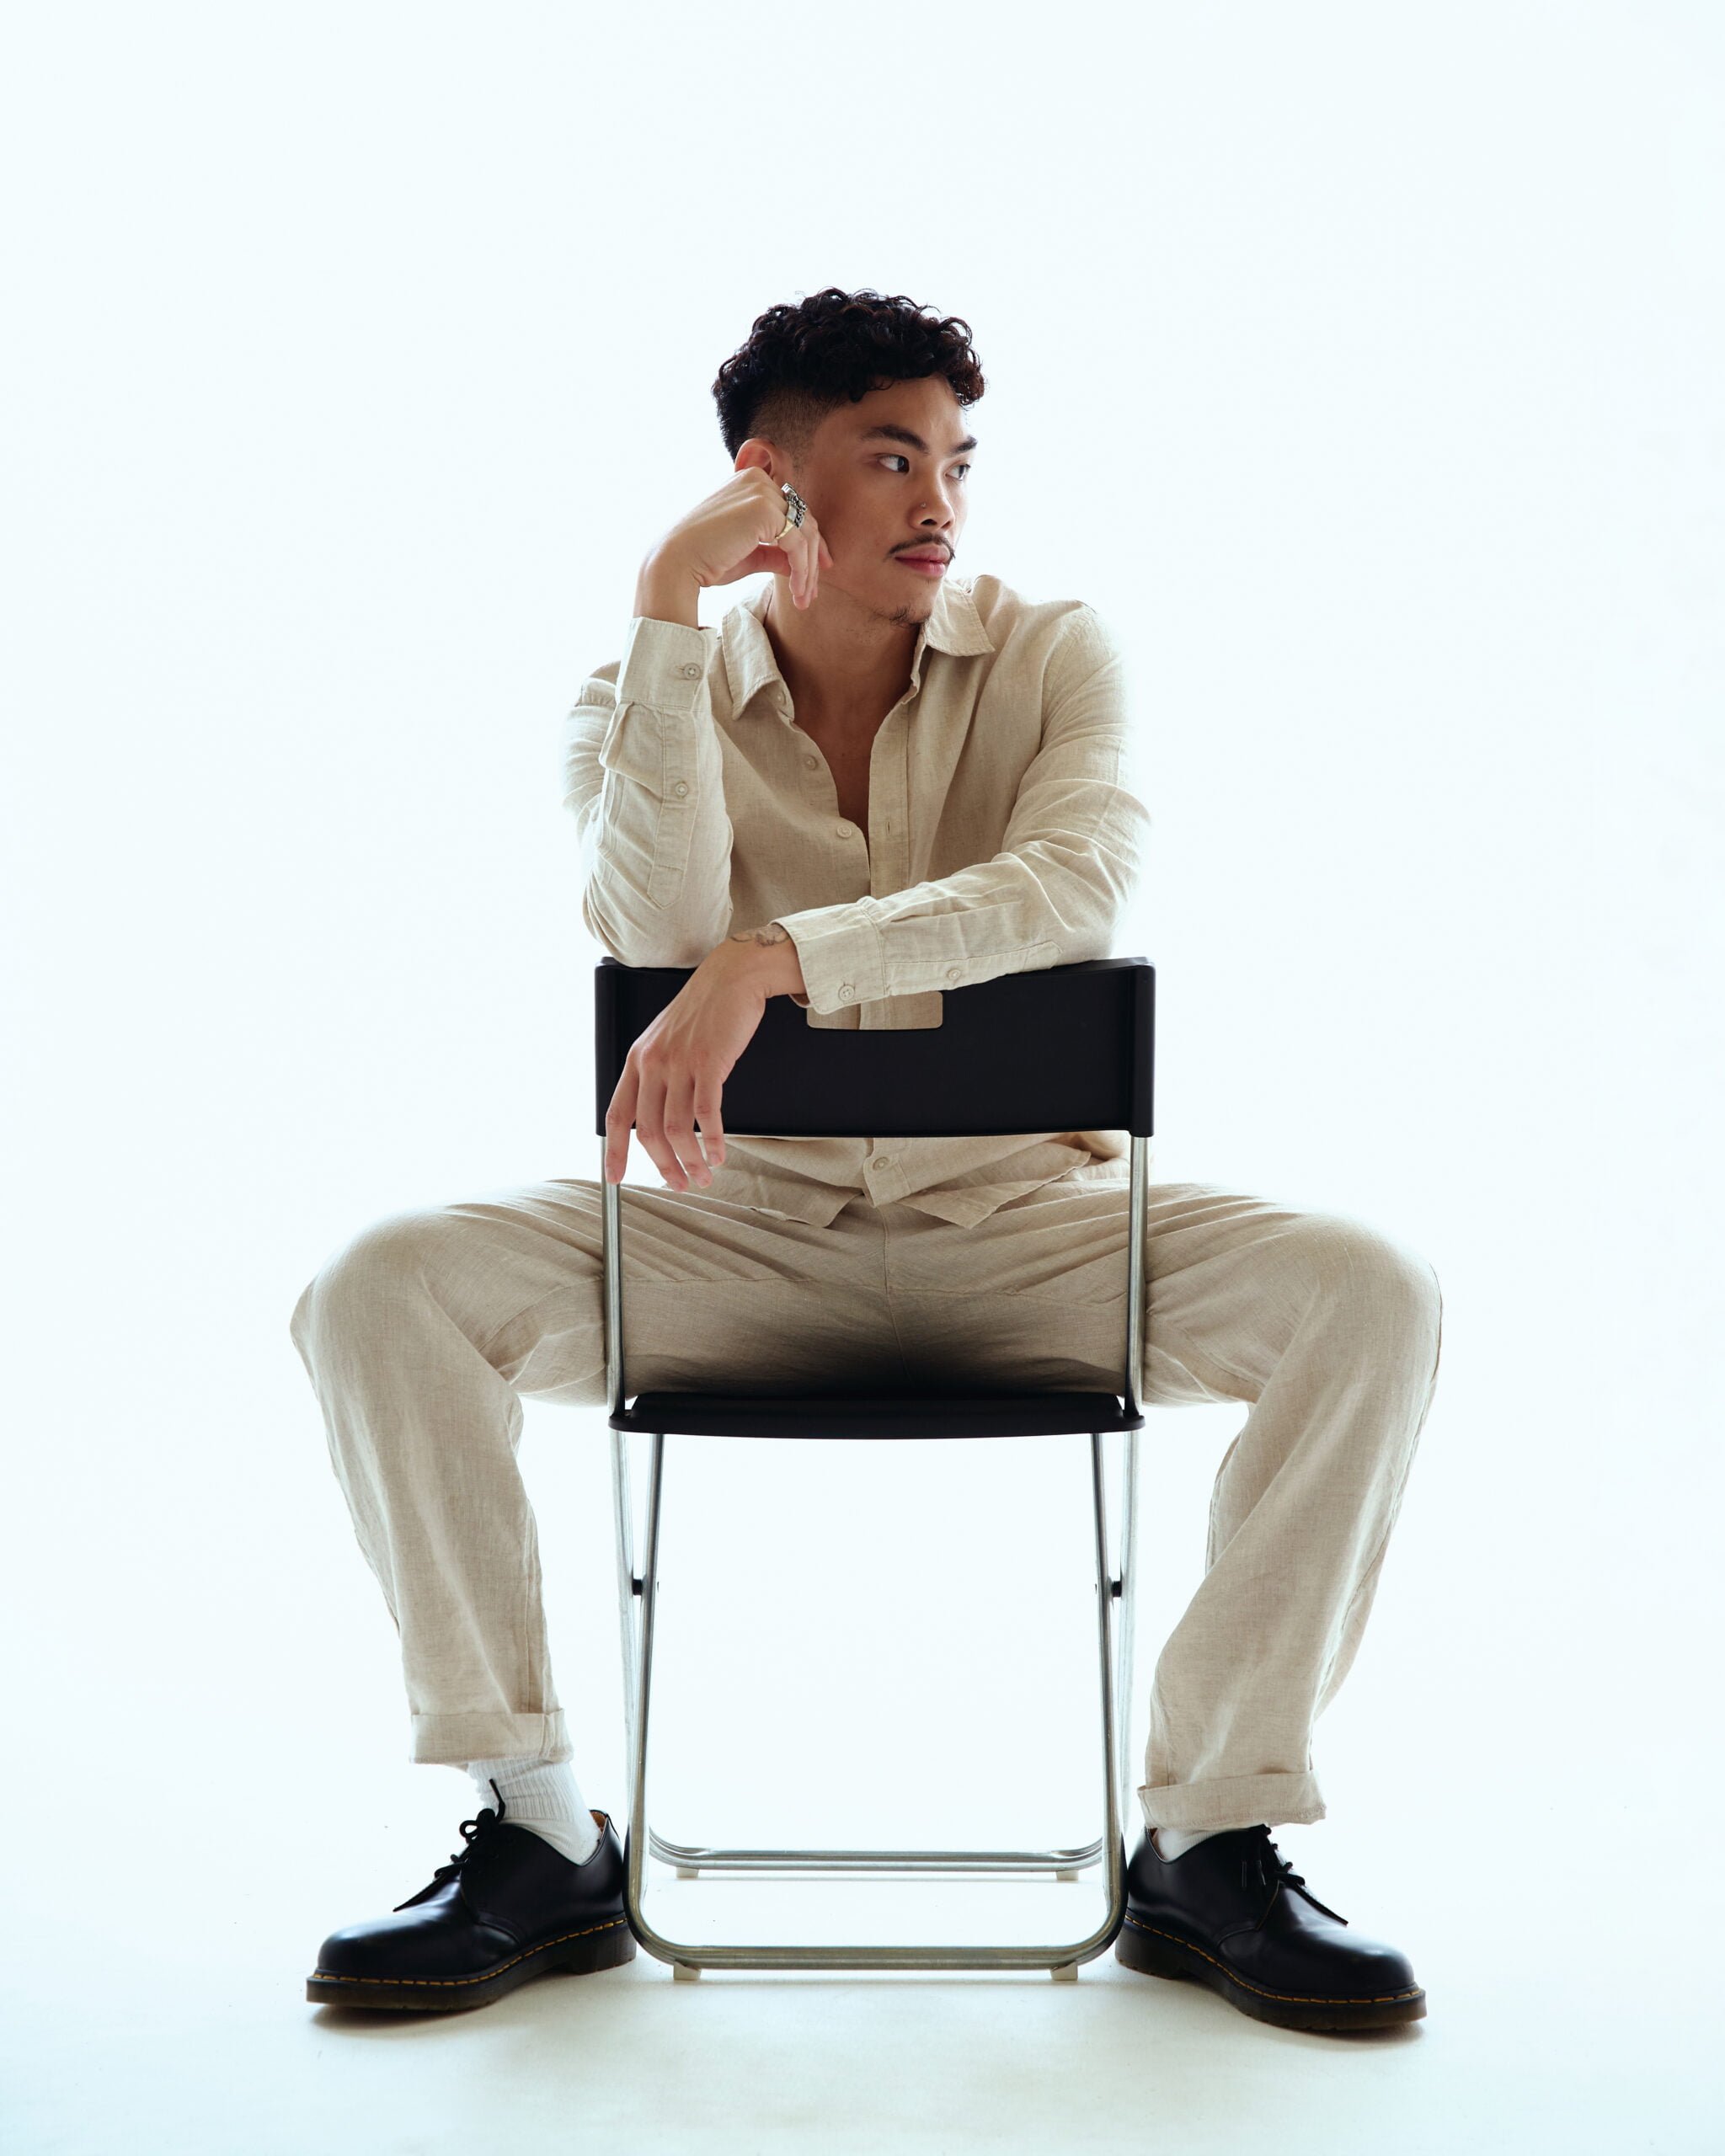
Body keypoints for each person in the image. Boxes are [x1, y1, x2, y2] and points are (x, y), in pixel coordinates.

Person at [291, 287, 1443, 2031]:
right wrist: (667, 604)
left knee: (1371, 1290)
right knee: (378, 1285)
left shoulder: (1053, 653)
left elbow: (1072, 888)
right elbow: (648, 923)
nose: (941, 502)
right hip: (735, 1238)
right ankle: (536, 1831)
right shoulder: (637, 688)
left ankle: (1208, 1837)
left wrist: (778, 960)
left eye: (959, 461)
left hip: (1032, 1232)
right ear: (771, 481)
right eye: (894, 458)